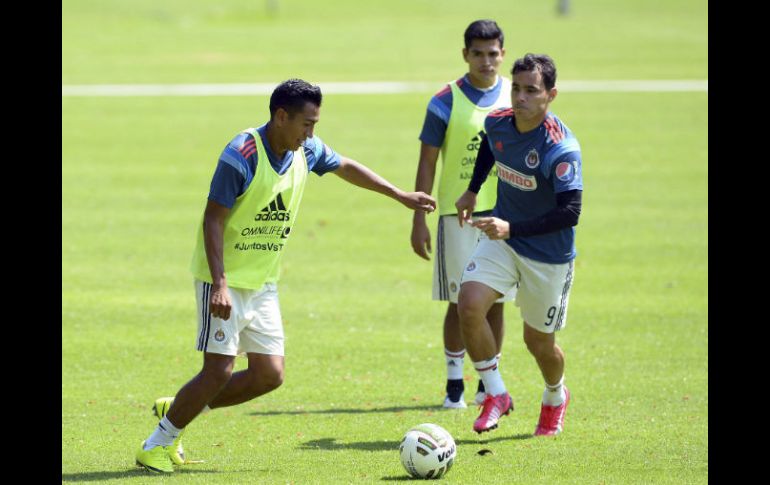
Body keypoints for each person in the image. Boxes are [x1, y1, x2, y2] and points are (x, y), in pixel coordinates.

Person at [135, 78, 436, 473]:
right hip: (224, 279)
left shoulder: (305, 150)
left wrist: (399, 195)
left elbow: (345, 166)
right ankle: (155, 444)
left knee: (269, 374)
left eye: (314, 124)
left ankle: (178, 410)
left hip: (263, 281)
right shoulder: (241, 154)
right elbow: (213, 219)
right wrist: (220, 284)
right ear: (281, 117)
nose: (312, 133)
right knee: (219, 369)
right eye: (306, 124)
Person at [454, 53, 582, 435]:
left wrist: (511, 227)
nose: (520, 97)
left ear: (551, 95)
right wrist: (472, 191)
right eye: (516, 88)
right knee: (469, 303)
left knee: (538, 344)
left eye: (531, 90)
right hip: (504, 242)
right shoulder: (498, 122)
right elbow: (490, 147)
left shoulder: (561, 148)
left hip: (548, 256)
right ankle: (496, 393)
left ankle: (555, 395)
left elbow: (570, 212)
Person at [410, 19, 515, 409]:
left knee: (496, 300)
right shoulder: (445, 100)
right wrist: (419, 217)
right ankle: (455, 381)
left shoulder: (514, 95)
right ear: (465, 55)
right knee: (458, 301)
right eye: (478, 54)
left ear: (503, 54)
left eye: (493, 54)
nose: (486, 61)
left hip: (503, 215)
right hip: (458, 217)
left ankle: (488, 384)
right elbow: (428, 161)